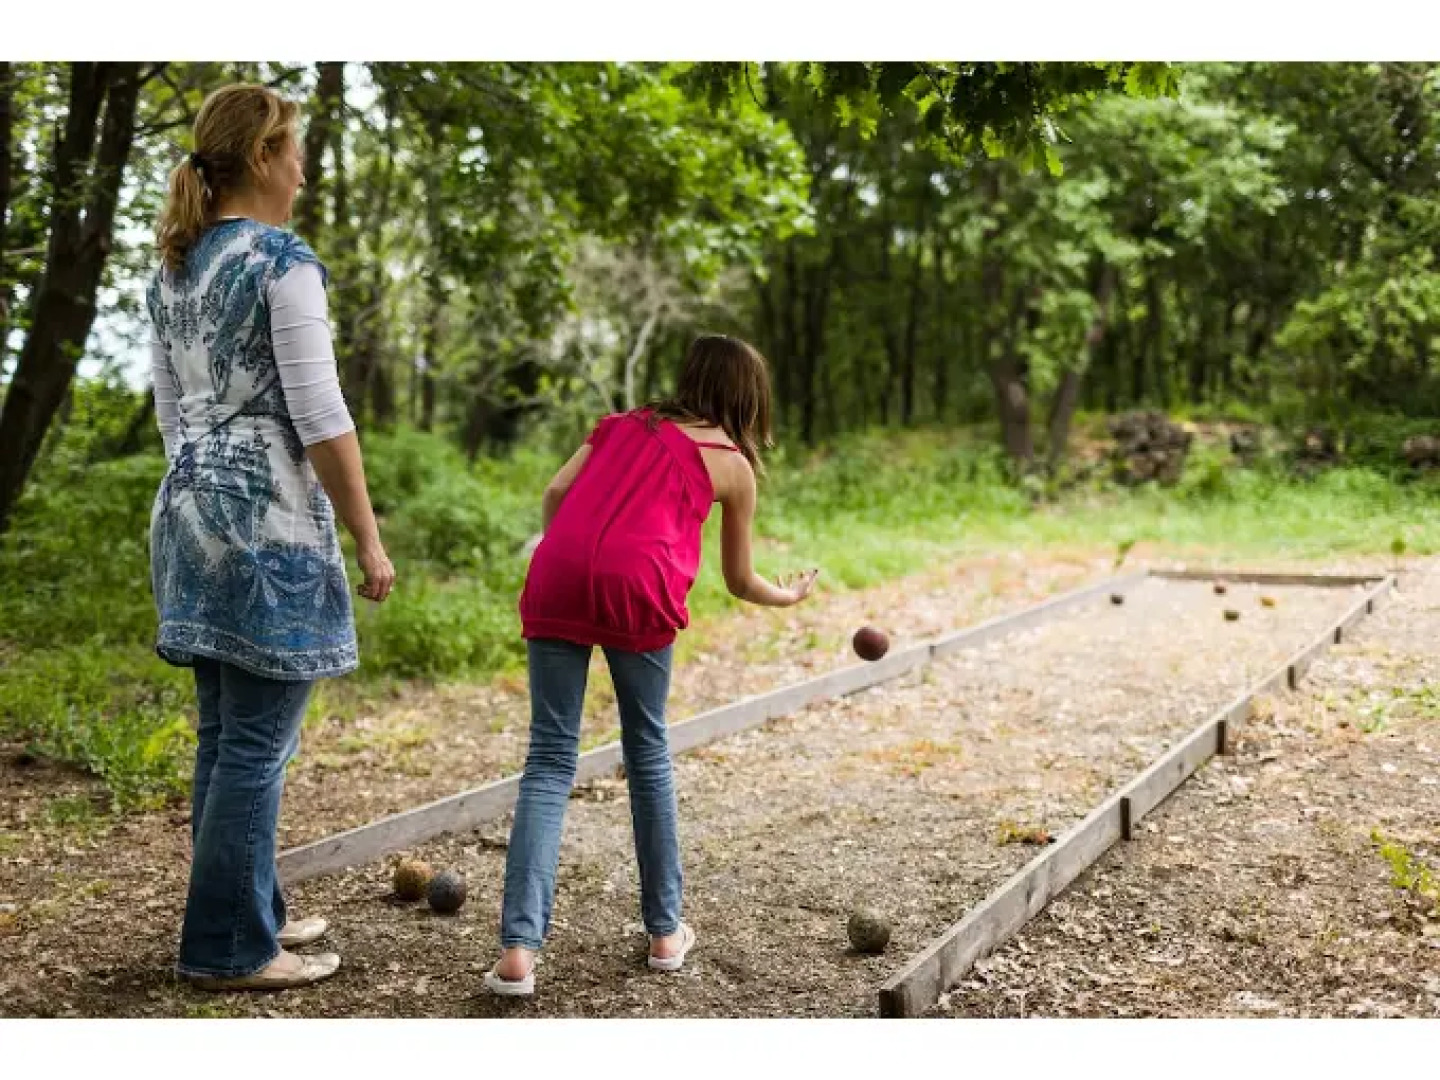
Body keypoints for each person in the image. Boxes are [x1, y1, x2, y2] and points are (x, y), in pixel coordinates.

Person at [148, 84, 395, 991]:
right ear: (261, 157)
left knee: (226, 735)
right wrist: (368, 538)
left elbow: (172, 415)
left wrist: (204, 494)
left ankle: (251, 909)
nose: (303, 169)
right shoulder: (281, 262)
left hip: (189, 512)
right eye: (294, 150)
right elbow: (321, 415)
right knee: (255, 743)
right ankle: (228, 947)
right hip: (268, 519)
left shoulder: (174, 268)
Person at [484, 334, 819, 997]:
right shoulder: (731, 465)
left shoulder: (621, 425)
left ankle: (518, 951)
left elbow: (555, 492)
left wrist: (564, 551)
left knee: (549, 758)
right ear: (749, 397)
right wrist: (789, 595)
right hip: (640, 587)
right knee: (647, 751)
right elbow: (740, 579)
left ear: (690, 377)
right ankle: (665, 933)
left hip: (557, 573)